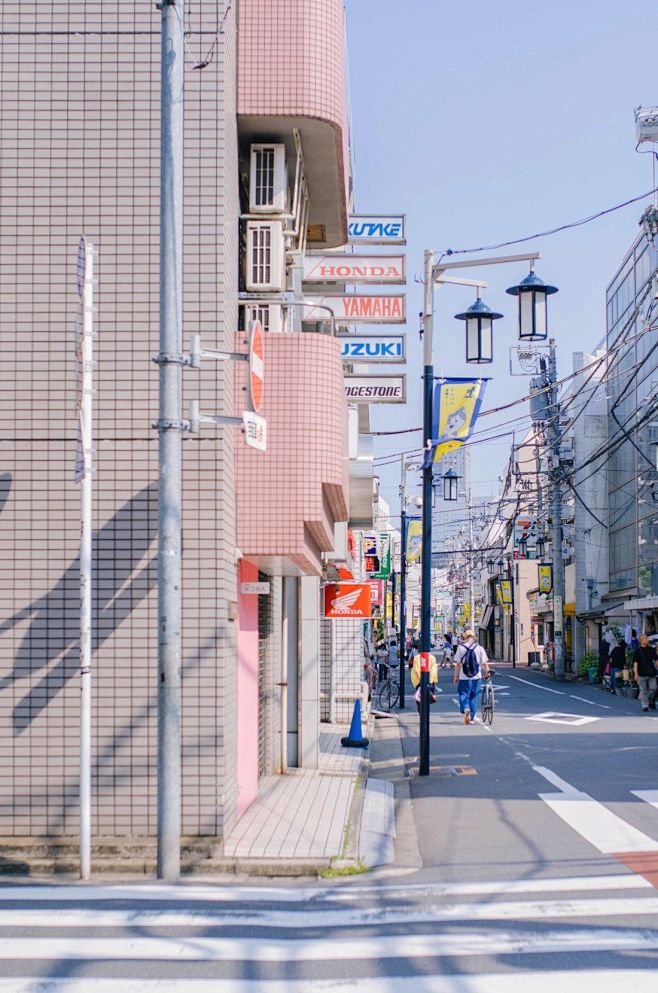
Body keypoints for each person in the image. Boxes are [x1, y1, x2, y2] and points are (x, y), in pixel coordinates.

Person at [454, 629, 490, 725]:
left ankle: (466, 708)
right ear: (474, 637)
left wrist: (456, 676)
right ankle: (472, 718)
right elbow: (484, 663)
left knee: (463, 694)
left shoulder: (460, 648)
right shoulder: (479, 648)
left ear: (465, 638)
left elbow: (458, 664)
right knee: (474, 696)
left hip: (464, 677)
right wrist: (487, 673)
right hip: (476, 677)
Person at [632, 634, 658, 712]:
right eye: (646, 638)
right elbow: (635, 664)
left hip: (651, 673)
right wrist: (636, 674)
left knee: (654, 688)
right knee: (643, 690)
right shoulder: (637, 651)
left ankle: (650, 701)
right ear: (642, 641)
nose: (648, 640)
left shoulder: (651, 650)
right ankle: (645, 705)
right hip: (641, 674)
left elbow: (656, 660)